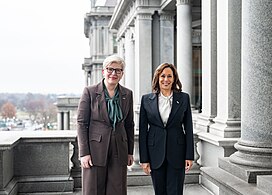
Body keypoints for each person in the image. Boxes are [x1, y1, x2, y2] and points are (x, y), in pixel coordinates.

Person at [77, 55, 134, 195]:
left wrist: (130, 151)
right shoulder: (90, 92)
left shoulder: (127, 94)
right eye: (110, 69)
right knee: (94, 189)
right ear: (104, 71)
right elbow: (81, 123)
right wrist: (84, 153)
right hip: (95, 149)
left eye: (118, 70)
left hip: (119, 149)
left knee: (117, 189)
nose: (113, 73)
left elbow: (129, 125)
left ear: (122, 74)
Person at [139, 63, 194, 195]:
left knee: (175, 191)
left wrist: (189, 156)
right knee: (159, 192)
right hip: (154, 153)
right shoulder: (146, 100)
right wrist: (144, 159)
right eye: (162, 76)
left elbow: (188, 128)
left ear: (174, 78)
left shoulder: (184, 98)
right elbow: (142, 132)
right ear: (157, 78)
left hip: (177, 153)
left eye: (169, 76)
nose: (166, 79)